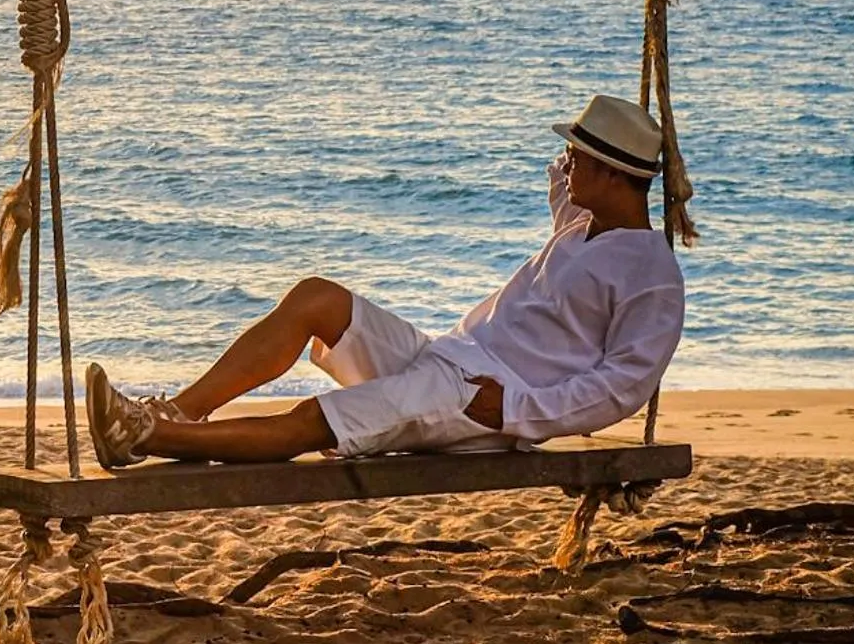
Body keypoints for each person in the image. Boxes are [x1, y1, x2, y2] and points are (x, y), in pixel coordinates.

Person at [85, 95, 687, 470]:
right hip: (446, 357)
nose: (568, 162)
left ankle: (145, 438)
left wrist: (519, 410)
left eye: (582, 156)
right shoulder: (582, 222)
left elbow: (622, 387)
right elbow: (564, 173)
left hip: (480, 400)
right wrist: (636, 144)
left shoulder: (651, 277)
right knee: (316, 297)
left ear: (612, 175)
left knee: (319, 420)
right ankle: (182, 410)